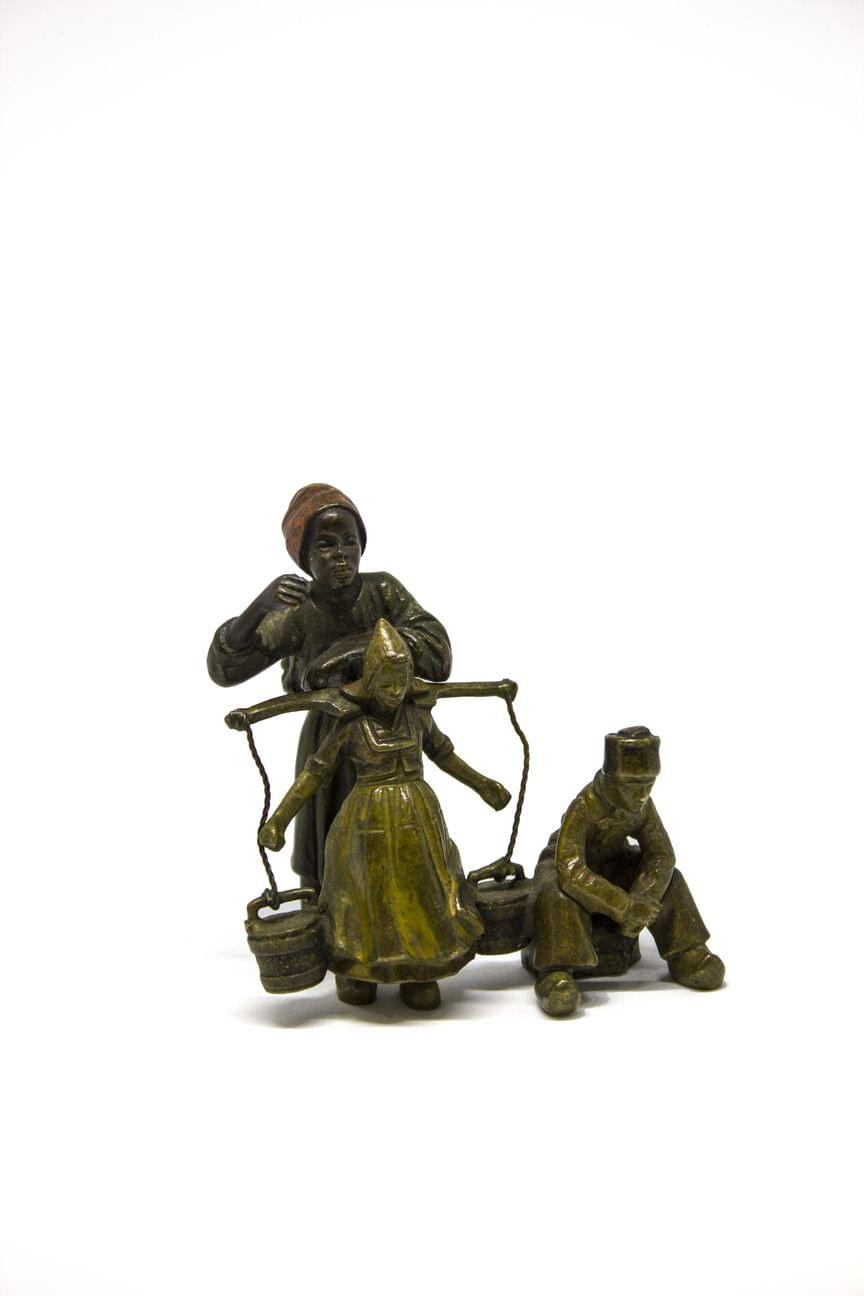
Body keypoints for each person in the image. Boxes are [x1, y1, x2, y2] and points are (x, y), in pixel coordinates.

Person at [207, 483, 451, 890]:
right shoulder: (299, 611)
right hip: (332, 738)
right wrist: (260, 607)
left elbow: (437, 652)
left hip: (392, 732)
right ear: (303, 556)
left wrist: (352, 649)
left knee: (399, 838)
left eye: (349, 542)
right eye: (325, 545)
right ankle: (326, 902)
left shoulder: (382, 591)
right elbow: (226, 669)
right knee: (329, 836)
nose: (341, 555)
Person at [258, 620, 511, 1010]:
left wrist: (483, 784)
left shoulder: (417, 717)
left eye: (401, 682)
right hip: (365, 824)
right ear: (370, 680)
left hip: (418, 818)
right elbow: (315, 774)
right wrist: (280, 819)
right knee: (362, 895)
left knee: (424, 891)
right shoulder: (352, 724)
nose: (394, 692)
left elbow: (445, 756)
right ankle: (356, 969)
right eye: (386, 683)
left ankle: (420, 969)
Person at [524, 726, 725, 1017]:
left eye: (648, 785)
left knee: (672, 880)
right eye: (632, 787)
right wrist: (624, 906)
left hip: (613, 862)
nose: (641, 795)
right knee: (555, 893)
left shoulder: (642, 805)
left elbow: (661, 854)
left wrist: (643, 899)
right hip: (564, 867)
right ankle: (556, 973)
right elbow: (571, 869)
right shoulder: (585, 806)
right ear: (610, 779)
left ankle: (688, 952)